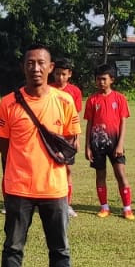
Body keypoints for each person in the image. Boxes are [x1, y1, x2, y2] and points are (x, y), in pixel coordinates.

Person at [0, 45, 82, 267]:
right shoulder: (8, 102)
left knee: (60, 247)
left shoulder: (64, 101)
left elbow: (71, 142)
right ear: (24, 67)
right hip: (18, 187)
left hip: (54, 188)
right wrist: (12, 177)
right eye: (30, 63)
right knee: (13, 246)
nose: (36, 68)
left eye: (41, 63)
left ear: (51, 67)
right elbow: (4, 147)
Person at [83, 65, 134, 219]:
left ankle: (127, 208)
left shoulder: (119, 98)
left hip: (115, 142)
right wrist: (87, 146)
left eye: (104, 79)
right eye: (98, 79)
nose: (101, 82)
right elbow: (89, 124)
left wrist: (120, 144)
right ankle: (104, 207)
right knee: (100, 175)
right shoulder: (92, 99)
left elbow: (123, 122)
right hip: (97, 142)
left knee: (120, 174)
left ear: (112, 80)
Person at [50, 58, 84, 218]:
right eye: (57, 74)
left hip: (68, 136)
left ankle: (67, 204)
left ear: (69, 74)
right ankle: (48, 201)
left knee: (67, 169)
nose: (60, 77)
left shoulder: (75, 91)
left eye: (63, 74)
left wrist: (77, 138)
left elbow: (75, 116)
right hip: (51, 135)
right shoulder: (48, 89)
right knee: (49, 168)